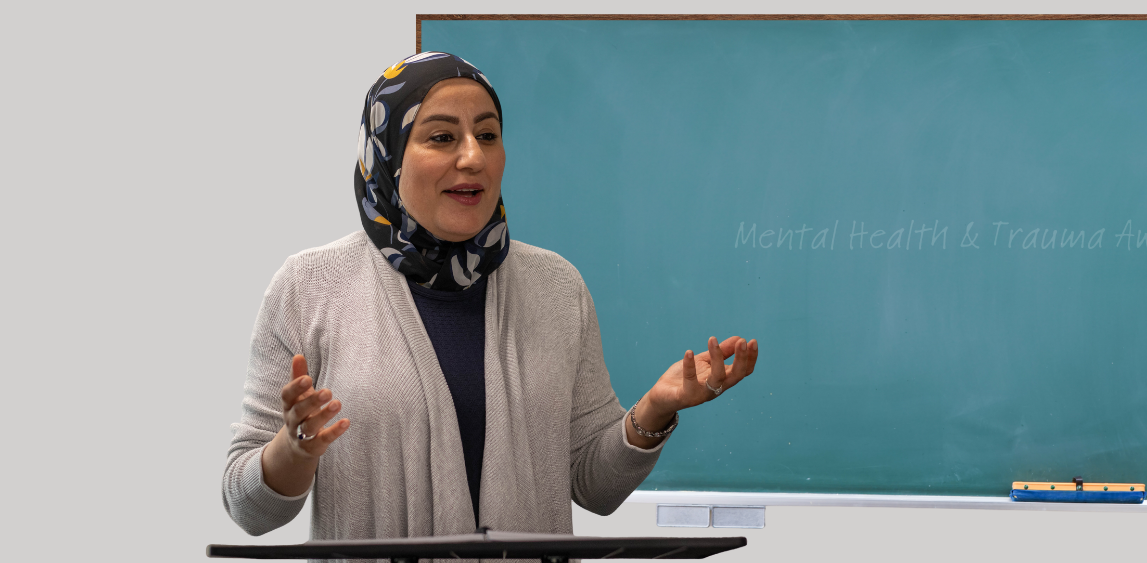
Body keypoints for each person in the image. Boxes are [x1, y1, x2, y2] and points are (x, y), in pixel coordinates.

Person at [222, 52, 759, 541]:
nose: (474, 157)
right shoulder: (309, 286)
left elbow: (593, 487)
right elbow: (249, 509)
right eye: (441, 138)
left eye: (489, 134)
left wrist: (655, 410)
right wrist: (293, 451)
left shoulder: (556, 287)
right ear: (388, 156)